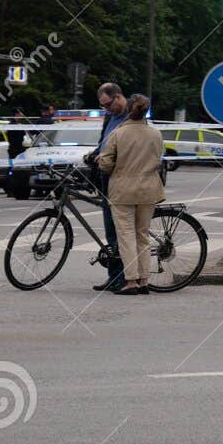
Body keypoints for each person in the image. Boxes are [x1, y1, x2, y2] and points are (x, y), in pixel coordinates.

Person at [94, 94, 164, 296]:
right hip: (149, 189)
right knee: (142, 235)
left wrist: (111, 165)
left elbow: (106, 164)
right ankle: (144, 281)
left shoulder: (118, 133)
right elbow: (158, 160)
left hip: (123, 190)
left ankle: (131, 281)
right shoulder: (155, 134)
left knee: (126, 236)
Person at [83, 83, 130, 292]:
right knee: (110, 230)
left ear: (118, 97)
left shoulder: (133, 115)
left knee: (118, 229)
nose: (107, 109)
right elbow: (105, 142)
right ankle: (114, 276)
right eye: (103, 106)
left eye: (108, 104)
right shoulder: (110, 117)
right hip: (105, 174)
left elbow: (132, 147)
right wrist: (94, 154)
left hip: (121, 177)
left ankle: (123, 277)